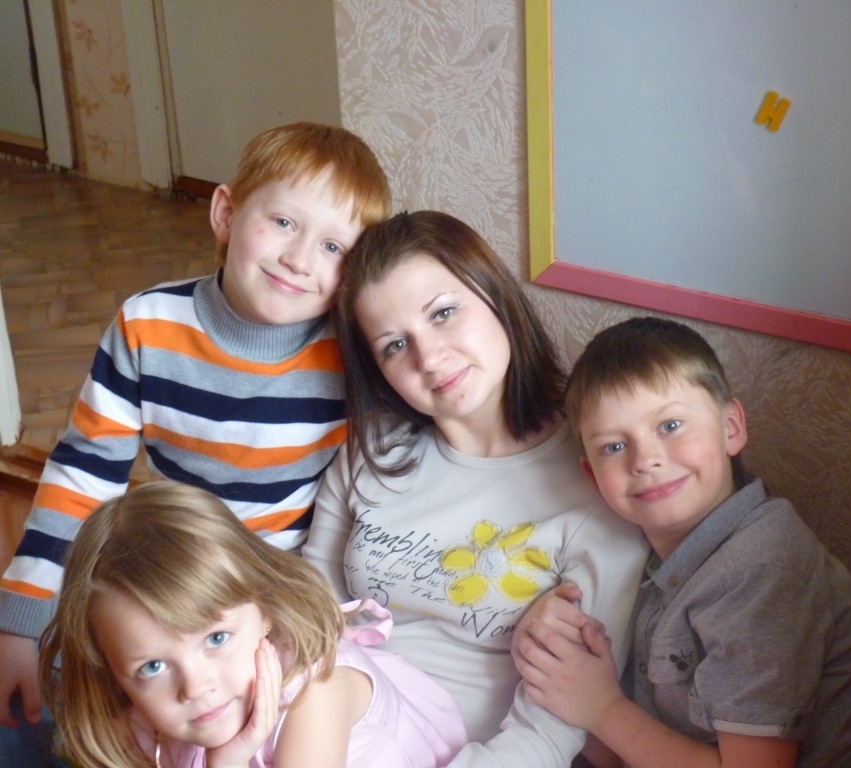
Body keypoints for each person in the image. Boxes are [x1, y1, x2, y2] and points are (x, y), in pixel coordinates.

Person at [0, 122, 391, 764]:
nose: (300, 259)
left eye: (332, 246)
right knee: (57, 691)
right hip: (165, 571)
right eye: (283, 223)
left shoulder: (353, 358)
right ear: (226, 213)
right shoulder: (147, 325)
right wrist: (23, 614)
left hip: (274, 597)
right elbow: (83, 474)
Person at [302, 210, 650, 767]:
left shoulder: (598, 481)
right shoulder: (375, 449)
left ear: (495, 295)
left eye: (443, 313)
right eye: (395, 345)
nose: (430, 358)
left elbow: (554, 728)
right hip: (326, 727)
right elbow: (312, 609)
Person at [513, 316, 851, 768]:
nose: (646, 460)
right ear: (593, 477)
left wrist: (599, 707)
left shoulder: (763, 573)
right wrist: (553, 662)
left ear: (731, 427)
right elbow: (624, 745)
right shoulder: (643, 552)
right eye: (613, 447)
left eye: (670, 425)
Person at [38, 480, 467, 768]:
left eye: (216, 638)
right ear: (113, 674)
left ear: (264, 608)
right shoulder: (149, 718)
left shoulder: (316, 694)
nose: (196, 687)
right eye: (153, 666)